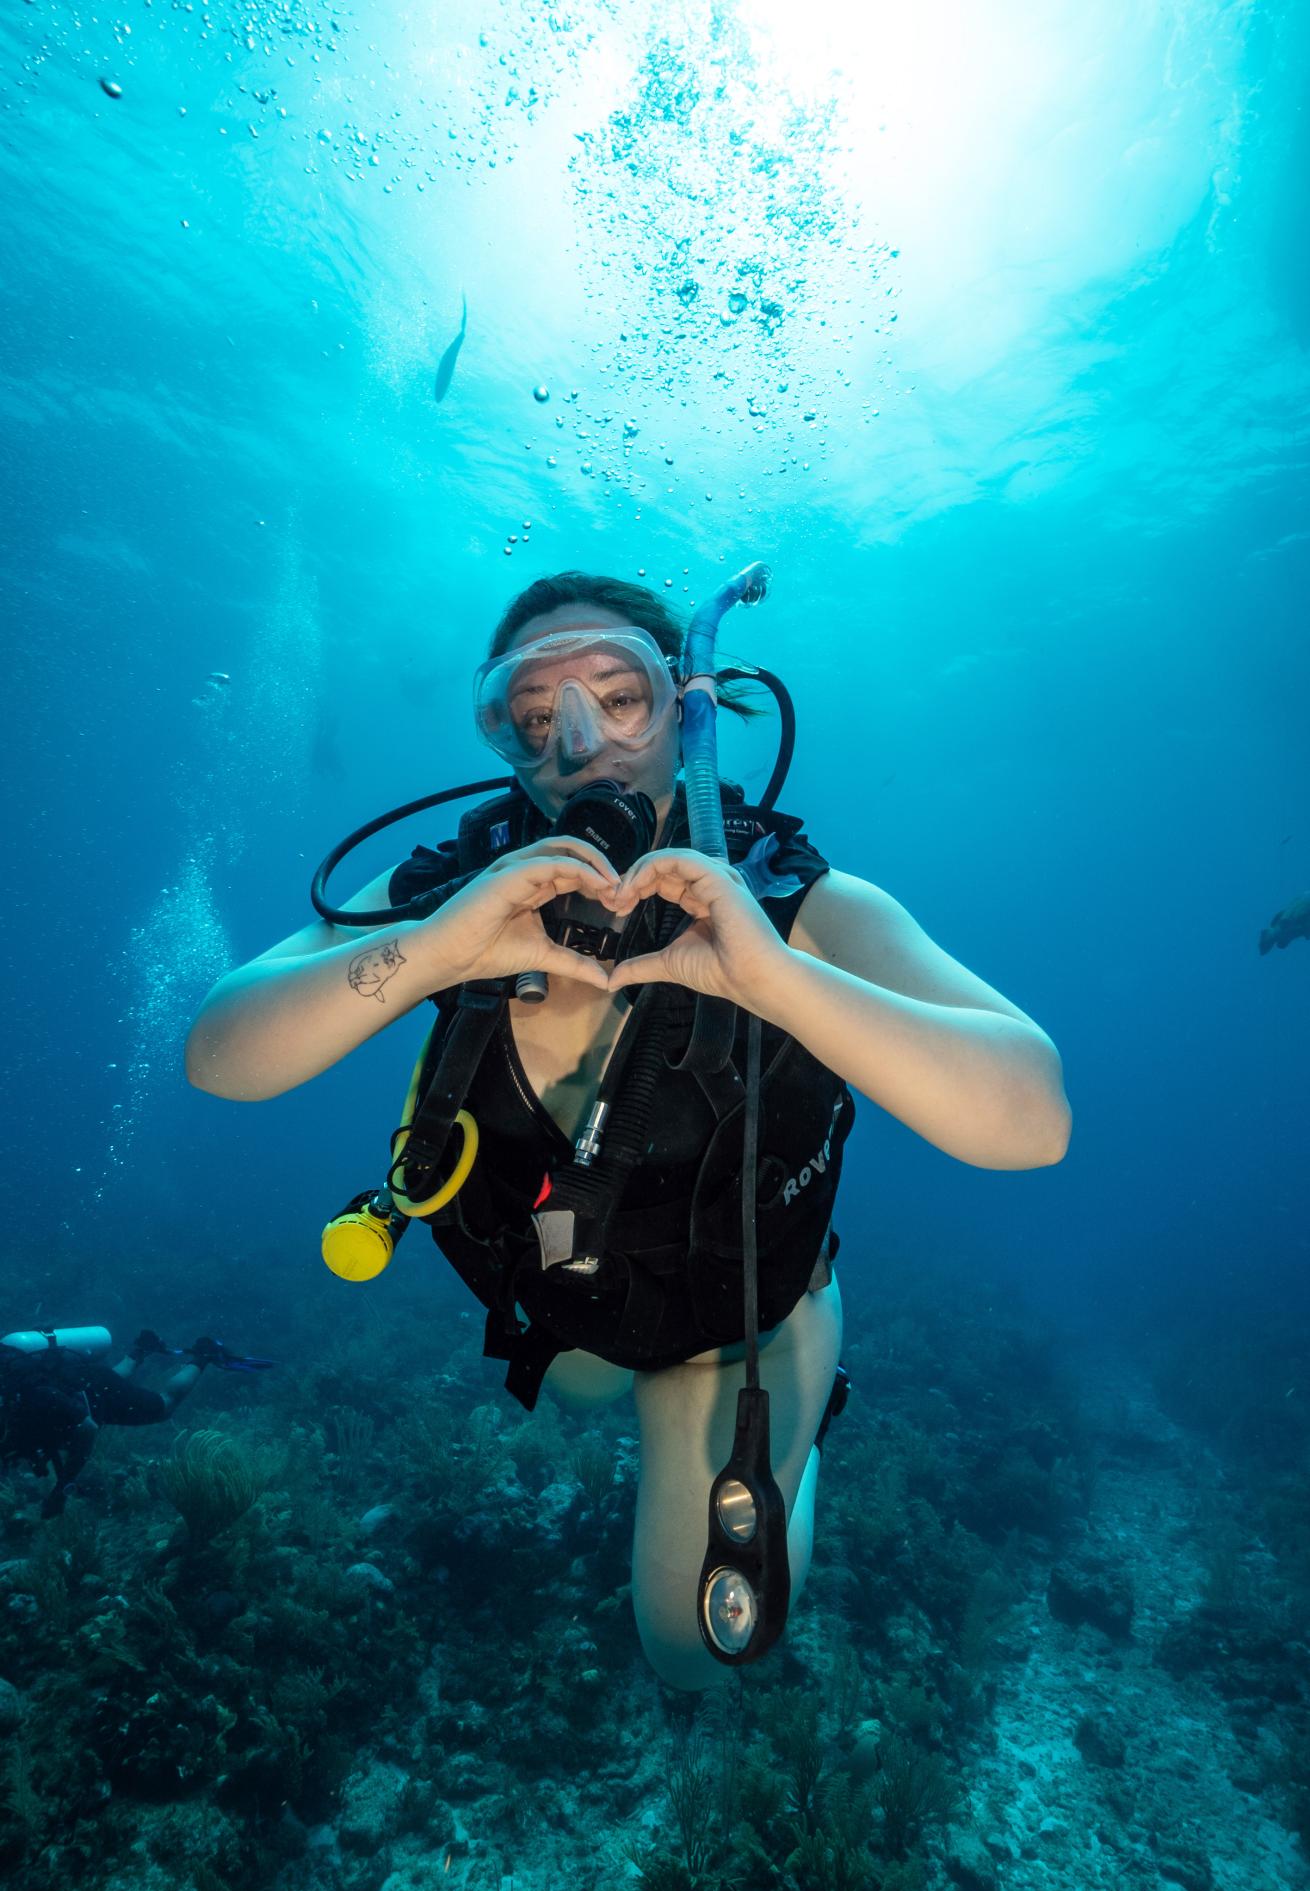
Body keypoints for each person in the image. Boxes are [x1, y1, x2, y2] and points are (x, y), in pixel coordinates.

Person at [185, 571, 1070, 1689]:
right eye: (536, 711)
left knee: (692, 1650)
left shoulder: (799, 902)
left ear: (688, 708)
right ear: (502, 731)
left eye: (620, 694)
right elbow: (221, 1054)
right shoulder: (452, 891)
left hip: (741, 1320)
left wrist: (779, 980)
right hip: (566, 1301)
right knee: (584, 1388)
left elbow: (1031, 1116)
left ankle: (794, 1442)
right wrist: (439, 948)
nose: (581, 741)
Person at [0, 1330, 252, 1518]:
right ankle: (142, 1348)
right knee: (111, 1382)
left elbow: (88, 1429)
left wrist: (63, 1484)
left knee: (163, 1406)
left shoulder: (34, 1396)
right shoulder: (13, 1407)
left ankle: (202, 1355)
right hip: (83, 1384)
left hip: (94, 1394)